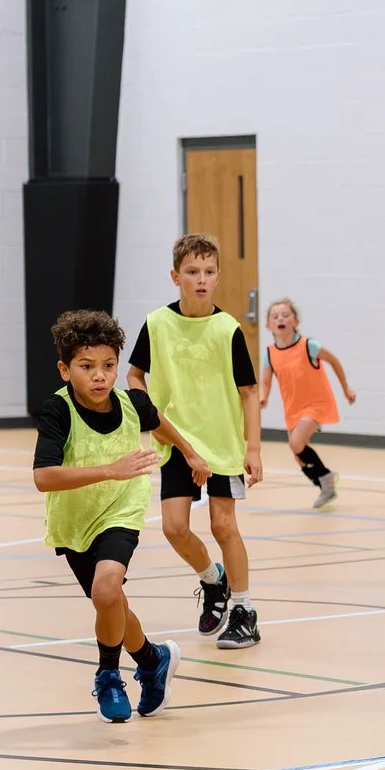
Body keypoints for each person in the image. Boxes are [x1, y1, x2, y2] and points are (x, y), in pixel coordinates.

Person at [32, 310, 195, 722]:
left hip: (122, 507)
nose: (100, 376)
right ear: (65, 370)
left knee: (106, 592)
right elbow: (44, 477)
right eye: (87, 367)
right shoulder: (57, 411)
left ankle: (108, 675)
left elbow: (159, 422)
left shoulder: (131, 402)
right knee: (113, 602)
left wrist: (191, 453)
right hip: (75, 521)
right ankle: (151, 658)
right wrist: (109, 469)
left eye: (108, 366)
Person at [128, 233, 265, 647]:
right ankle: (213, 580)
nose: (200, 279)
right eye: (192, 272)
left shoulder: (228, 329)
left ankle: (243, 611)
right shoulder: (156, 323)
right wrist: (148, 409)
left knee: (224, 525)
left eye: (208, 272)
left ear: (218, 277)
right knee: (173, 527)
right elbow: (134, 374)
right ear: (176, 276)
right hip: (174, 442)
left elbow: (248, 391)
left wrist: (253, 447)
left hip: (222, 445)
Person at [263, 297, 355, 510]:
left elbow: (333, 361)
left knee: (296, 443)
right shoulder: (270, 353)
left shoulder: (308, 346)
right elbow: (266, 379)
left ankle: (326, 478)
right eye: (275, 316)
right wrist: (263, 396)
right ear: (269, 325)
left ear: (295, 321)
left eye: (285, 315)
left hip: (316, 403)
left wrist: (346, 389)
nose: (280, 319)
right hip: (293, 407)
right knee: (298, 455)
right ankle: (325, 484)